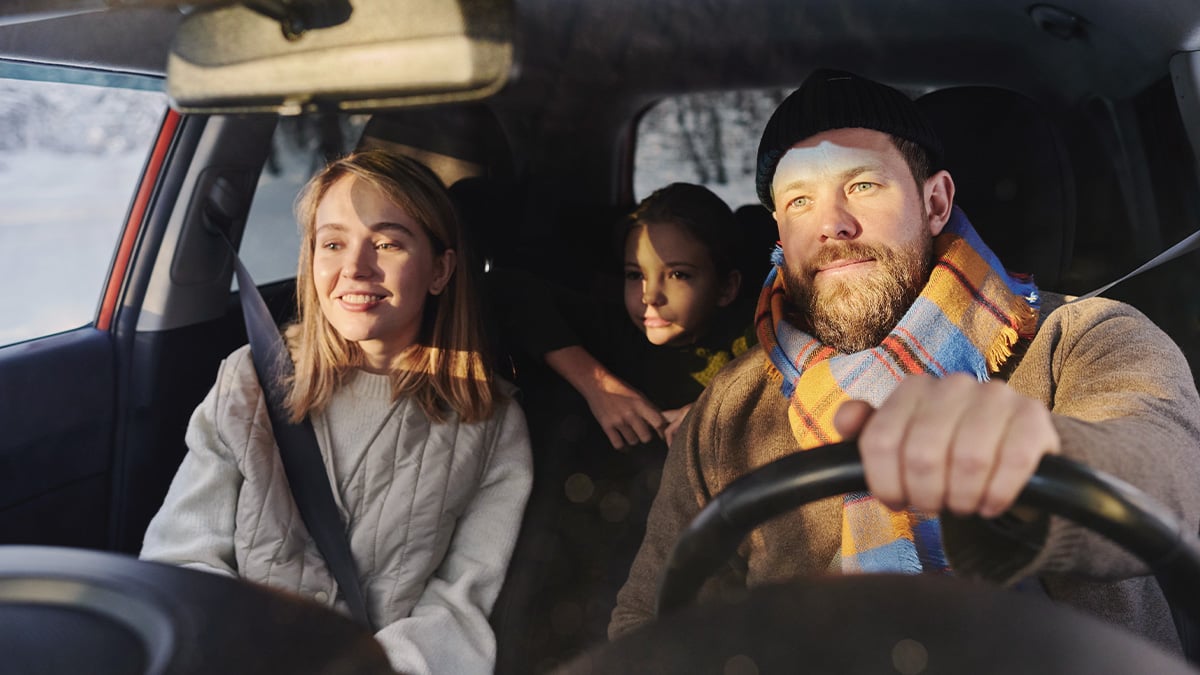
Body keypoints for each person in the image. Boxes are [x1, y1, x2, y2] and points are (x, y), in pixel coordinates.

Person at [609, 69, 1200, 653]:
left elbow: (1170, 474)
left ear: (935, 201)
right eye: (800, 201)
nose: (832, 225)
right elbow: (649, 618)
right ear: (780, 233)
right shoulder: (729, 409)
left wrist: (1034, 466)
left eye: (863, 185)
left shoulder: (1081, 338)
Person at [140, 150, 534, 675]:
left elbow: (460, 604)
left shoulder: (490, 421)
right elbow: (183, 556)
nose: (355, 267)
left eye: (387, 244)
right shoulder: (250, 380)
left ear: (440, 270)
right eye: (332, 244)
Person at [508, 182, 761, 450]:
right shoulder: (616, 332)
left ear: (726, 288)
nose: (649, 295)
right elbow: (509, 291)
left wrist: (718, 408)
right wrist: (598, 386)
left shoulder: (756, 335)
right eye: (635, 275)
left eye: (678, 275)